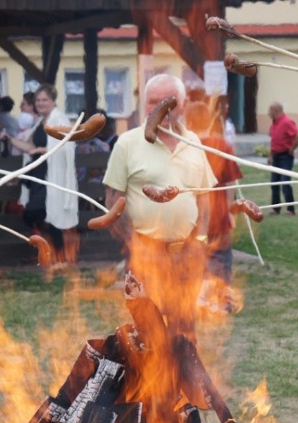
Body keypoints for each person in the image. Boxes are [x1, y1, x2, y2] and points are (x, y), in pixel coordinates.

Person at [102, 74, 217, 342]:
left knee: (185, 330)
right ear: (145, 106)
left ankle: (183, 382)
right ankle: (151, 384)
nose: (161, 108)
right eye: (154, 101)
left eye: (170, 102)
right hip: (146, 252)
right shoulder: (128, 143)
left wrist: (199, 240)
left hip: (187, 253)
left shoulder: (194, 143)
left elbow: (205, 198)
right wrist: (133, 243)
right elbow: (112, 200)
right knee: (148, 333)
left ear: (184, 105)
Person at [8, 84, 79, 267]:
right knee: (33, 214)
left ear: (53, 101)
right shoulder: (41, 123)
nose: (40, 103)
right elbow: (29, 148)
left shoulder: (59, 119)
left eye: (44, 99)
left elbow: (67, 146)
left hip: (52, 176)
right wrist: (10, 140)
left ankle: (61, 257)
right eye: (38, 100)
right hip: (39, 176)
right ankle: (50, 253)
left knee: (47, 213)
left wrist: (43, 149)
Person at [184, 101, 243, 316]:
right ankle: (214, 302)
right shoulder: (221, 146)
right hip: (217, 213)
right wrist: (229, 211)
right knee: (221, 259)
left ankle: (203, 299)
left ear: (188, 121)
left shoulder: (185, 147)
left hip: (193, 216)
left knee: (199, 258)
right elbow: (229, 184)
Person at [267, 102, 298, 216]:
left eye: (270, 111)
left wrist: (292, 149)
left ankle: (291, 209)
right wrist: (270, 155)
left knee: (285, 183)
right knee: (274, 183)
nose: (268, 113)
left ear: (276, 111)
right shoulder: (274, 124)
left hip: (285, 157)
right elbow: (274, 141)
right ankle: (275, 208)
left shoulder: (286, 122)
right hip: (276, 156)